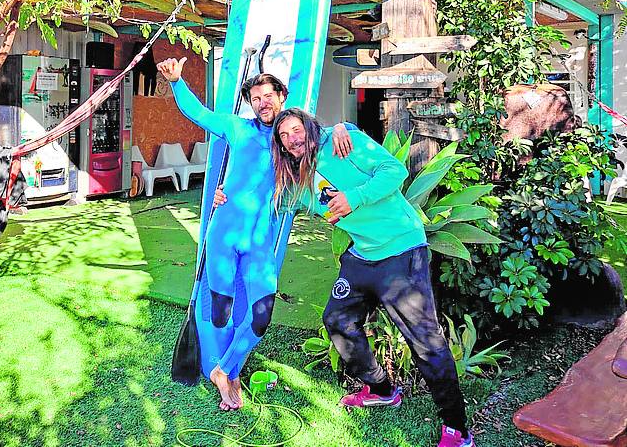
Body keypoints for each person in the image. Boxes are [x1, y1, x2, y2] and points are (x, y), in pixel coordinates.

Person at [156, 57, 353, 411]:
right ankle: (222, 373)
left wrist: (343, 126)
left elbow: (327, 142)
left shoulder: (294, 139)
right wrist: (176, 82)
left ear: (281, 96)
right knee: (220, 310)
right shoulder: (237, 127)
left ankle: (224, 369)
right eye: (256, 98)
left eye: (268, 95)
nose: (263, 103)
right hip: (224, 234)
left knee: (261, 315)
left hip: (261, 242)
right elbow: (198, 114)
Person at [271, 107, 475, 447]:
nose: (293, 139)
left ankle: (457, 427)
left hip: (400, 250)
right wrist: (225, 199)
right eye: (284, 136)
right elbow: (274, 204)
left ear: (309, 127)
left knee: (425, 341)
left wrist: (354, 197)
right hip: (363, 253)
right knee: (338, 320)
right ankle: (382, 390)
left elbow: (394, 170)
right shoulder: (300, 181)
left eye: (296, 129)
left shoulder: (342, 142)